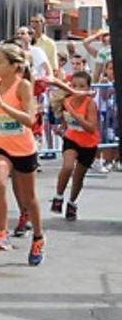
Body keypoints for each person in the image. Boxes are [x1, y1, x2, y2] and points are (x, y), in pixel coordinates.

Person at [0, 42, 45, 266]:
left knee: (29, 199)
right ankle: (2, 233)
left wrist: (1, 104)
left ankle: (38, 236)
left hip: (23, 148)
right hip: (0, 143)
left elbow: (29, 120)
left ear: (14, 66)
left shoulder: (23, 86)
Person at [51, 71, 99, 221]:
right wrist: (62, 128)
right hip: (72, 139)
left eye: (82, 86)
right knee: (67, 166)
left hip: (88, 143)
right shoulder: (67, 101)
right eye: (74, 86)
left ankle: (72, 203)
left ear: (88, 89)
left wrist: (76, 116)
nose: (78, 90)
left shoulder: (90, 103)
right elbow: (67, 120)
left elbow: (91, 127)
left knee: (78, 177)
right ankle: (58, 197)